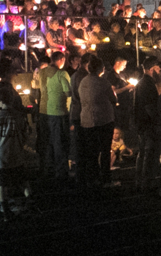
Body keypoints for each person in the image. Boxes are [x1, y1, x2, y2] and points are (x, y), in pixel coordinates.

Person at [0, 86, 34, 220]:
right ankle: (30, 202)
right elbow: (26, 134)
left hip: (0, 158)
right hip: (17, 156)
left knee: (2, 184)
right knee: (23, 180)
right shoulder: (19, 116)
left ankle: (5, 210)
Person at [78, 56, 117, 189]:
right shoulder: (103, 82)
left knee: (92, 152)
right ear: (100, 68)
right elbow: (113, 99)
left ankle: (92, 179)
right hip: (104, 119)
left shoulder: (83, 81)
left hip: (87, 120)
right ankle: (106, 179)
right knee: (105, 151)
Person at [38, 51, 71, 183]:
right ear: (61, 59)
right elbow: (68, 92)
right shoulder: (62, 73)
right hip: (58, 112)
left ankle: (46, 170)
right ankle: (61, 173)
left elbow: (37, 87)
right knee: (60, 144)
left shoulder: (42, 72)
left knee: (46, 142)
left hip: (43, 111)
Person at [133, 58, 161, 193]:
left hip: (141, 123)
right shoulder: (148, 84)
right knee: (149, 154)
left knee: (143, 152)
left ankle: (139, 181)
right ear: (152, 69)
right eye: (158, 69)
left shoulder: (141, 82)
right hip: (149, 125)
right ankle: (147, 183)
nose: (160, 71)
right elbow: (150, 106)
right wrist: (158, 121)